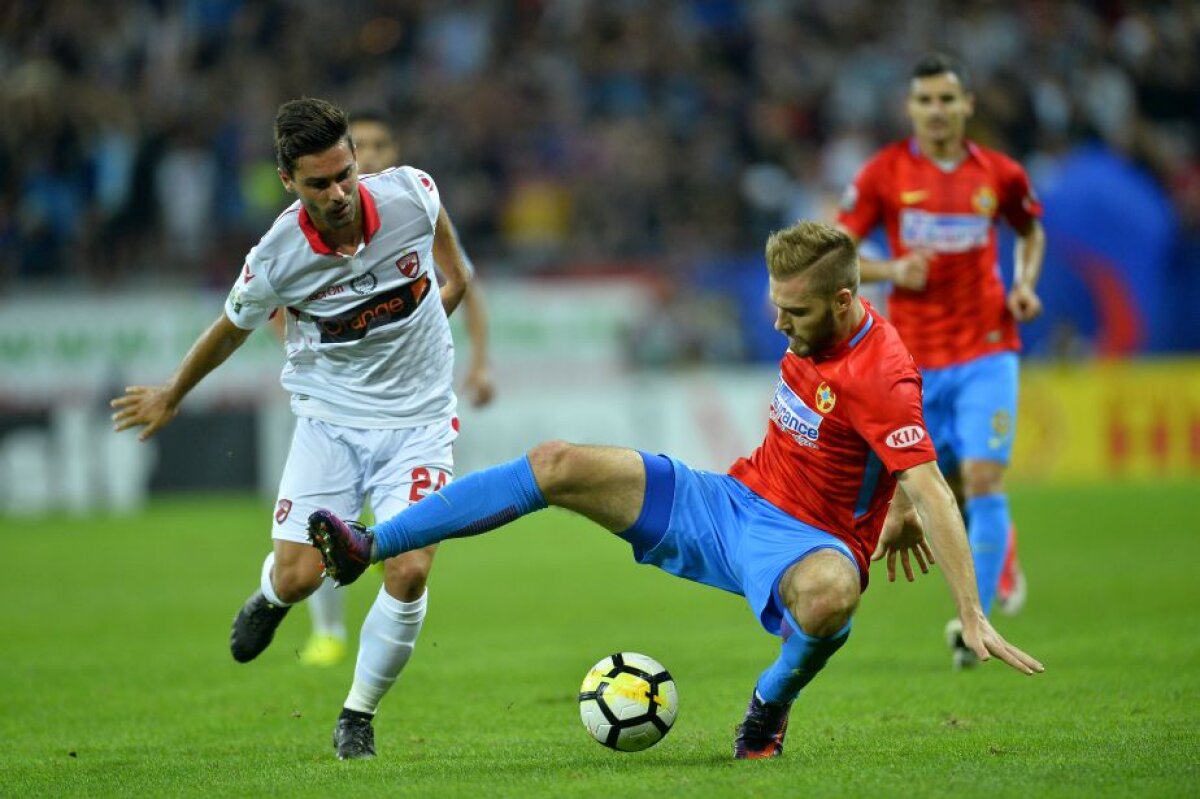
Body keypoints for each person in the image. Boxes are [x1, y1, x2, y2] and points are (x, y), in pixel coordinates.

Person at [306, 221, 1044, 761]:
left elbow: (932, 477)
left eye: (797, 313)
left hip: (811, 542)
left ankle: (766, 710)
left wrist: (969, 609)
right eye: (775, 304)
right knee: (556, 461)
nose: (779, 322)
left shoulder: (879, 370)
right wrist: (904, 500)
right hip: (727, 502)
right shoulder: (818, 325)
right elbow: (908, 454)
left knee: (829, 598)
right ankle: (370, 542)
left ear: (847, 300)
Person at [110, 97, 473, 760]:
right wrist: (172, 393)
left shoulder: (413, 195)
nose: (337, 192)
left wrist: (435, 311)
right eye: (318, 182)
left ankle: (357, 714)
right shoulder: (276, 258)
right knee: (303, 574)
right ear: (287, 180)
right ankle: (271, 596)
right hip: (329, 424)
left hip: (419, 423)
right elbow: (229, 330)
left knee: (411, 568)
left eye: (345, 174)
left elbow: (453, 266)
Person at [836, 52, 1045, 666]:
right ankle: (997, 560)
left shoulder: (1001, 175)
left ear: (967, 106)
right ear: (910, 108)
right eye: (925, 100)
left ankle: (970, 627)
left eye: (947, 100)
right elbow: (839, 247)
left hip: (987, 348)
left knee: (983, 478)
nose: (936, 110)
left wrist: (1024, 282)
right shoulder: (883, 174)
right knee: (940, 485)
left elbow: (1031, 230)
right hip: (913, 357)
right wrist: (891, 269)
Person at [297, 109, 497, 669]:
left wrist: (476, 360)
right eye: (362, 144)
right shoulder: (311, 226)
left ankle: (360, 672)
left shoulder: (413, 206)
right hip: (341, 402)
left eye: (381, 142)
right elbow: (280, 306)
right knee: (323, 528)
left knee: (404, 549)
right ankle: (326, 631)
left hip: (411, 404)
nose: (374, 152)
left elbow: (464, 281)